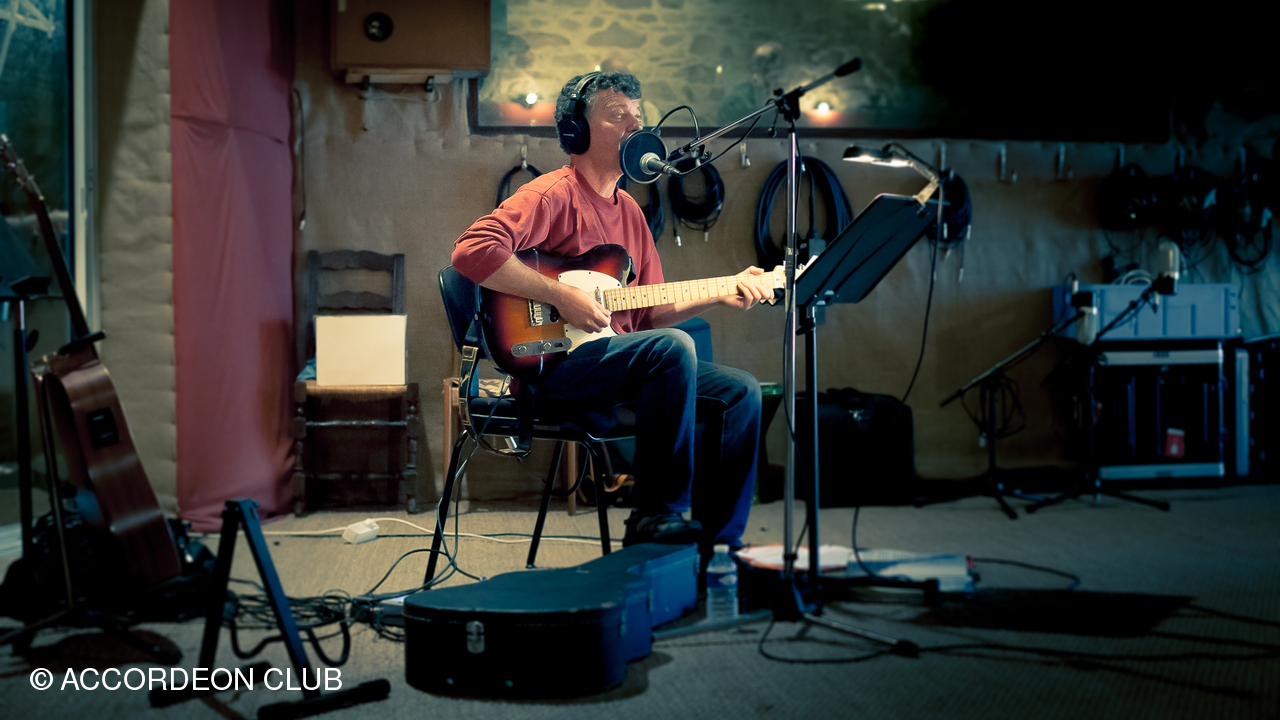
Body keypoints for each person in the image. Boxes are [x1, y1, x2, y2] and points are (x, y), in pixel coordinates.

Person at [451, 71, 770, 557]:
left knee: (740, 390)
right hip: (553, 366)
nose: (635, 126)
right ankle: (654, 515)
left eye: (637, 116)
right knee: (672, 349)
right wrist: (559, 296)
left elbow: (651, 314)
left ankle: (717, 548)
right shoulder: (551, 195)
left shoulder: (632, 214)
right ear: (576, 131)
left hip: (614, 364)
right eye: (618, 115)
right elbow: (471, 251)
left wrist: (722, 291)